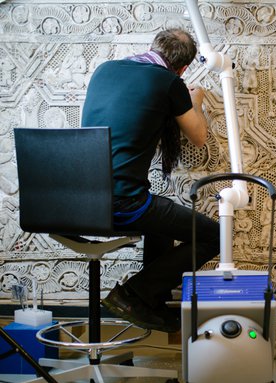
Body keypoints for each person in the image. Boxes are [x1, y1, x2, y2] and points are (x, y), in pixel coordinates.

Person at [81, 28, 220, 333]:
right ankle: (134, 295)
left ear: (154, 46)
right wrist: (195, 100)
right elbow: (198, 136)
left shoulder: (104, 70)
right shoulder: (168, 81)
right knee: (214, 235)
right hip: (123, 203)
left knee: (161, 221)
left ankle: (149, 303)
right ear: (182, 68)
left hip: (79, 202)